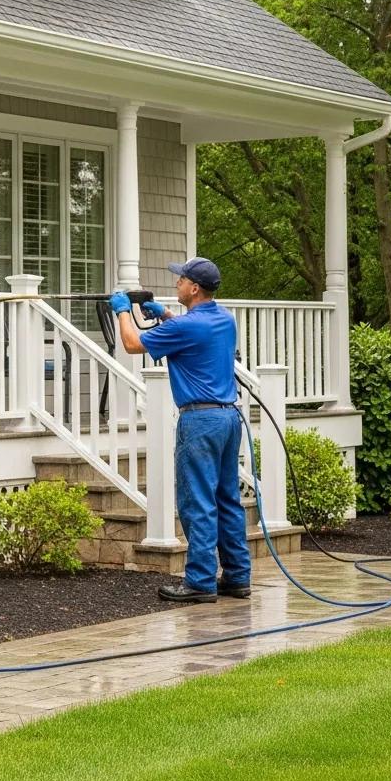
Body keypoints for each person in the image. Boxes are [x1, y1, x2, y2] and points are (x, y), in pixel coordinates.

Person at [108, 257, 252, 604]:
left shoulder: (187, 328)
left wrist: (123, 310)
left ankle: (200, 581)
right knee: (227, 499)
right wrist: (165, 315)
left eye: (181, 280)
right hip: (229, 418)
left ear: (194, 288)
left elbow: (131, 344)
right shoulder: (223, 319)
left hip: (199, 421)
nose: (176, 284)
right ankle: (236, 577)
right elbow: (191, 329)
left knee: (197, 502)